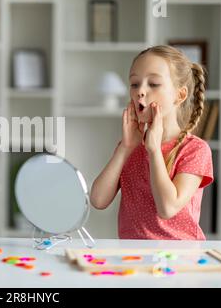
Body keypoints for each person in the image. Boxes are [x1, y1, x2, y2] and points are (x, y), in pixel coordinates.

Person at [90, 45, 213, 240]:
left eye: (153, 84)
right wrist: (124, 148)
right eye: (134, 84)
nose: (141, 91)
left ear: (179, 95)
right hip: (134, 257)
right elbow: (98, 200)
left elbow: (167, 208)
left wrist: (154, 150)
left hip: (181, 259)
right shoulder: (129, 147)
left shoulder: (195, 149)